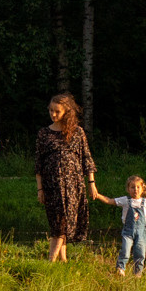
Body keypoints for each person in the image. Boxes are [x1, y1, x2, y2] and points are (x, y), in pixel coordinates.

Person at [32, 92, 113, 262]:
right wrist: (40, 189)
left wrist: (91, 183)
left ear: (66, 112)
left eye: (57, 111)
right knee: (58, 222)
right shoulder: (44, 133)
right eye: (51, 110)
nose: (53, 114)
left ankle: (55, 260)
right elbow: (38, 164)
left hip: (73, 185)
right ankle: (59, 259)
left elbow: (86, 158)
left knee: (65, 221)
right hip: (52, 185)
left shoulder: (77, 132)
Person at [110, 175, 146, 274]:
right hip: (128, 231)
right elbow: (111, 201)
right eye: (132, 187)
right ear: (128, 189)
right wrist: (97, 195)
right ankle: (120, 269)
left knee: (140, 253)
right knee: (125, 250)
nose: (135, 189)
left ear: (142, 189)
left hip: (141, 232)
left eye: (138, 187)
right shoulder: (125, 200)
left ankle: (138, 274)